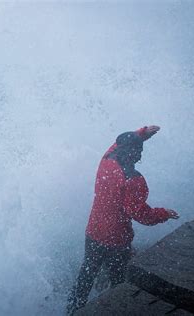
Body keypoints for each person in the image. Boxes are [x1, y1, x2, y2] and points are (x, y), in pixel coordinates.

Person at [66, 125, 179, 315]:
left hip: (93, 232)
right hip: (116, 241)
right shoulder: (132, 179)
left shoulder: (106, 160)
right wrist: (164, 213)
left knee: (86, 274)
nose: (141, 156)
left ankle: (73, 310)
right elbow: (141, 214)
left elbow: (115, 145)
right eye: (139, 151)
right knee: (119, 281)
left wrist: (141, 134)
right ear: (132, 152)